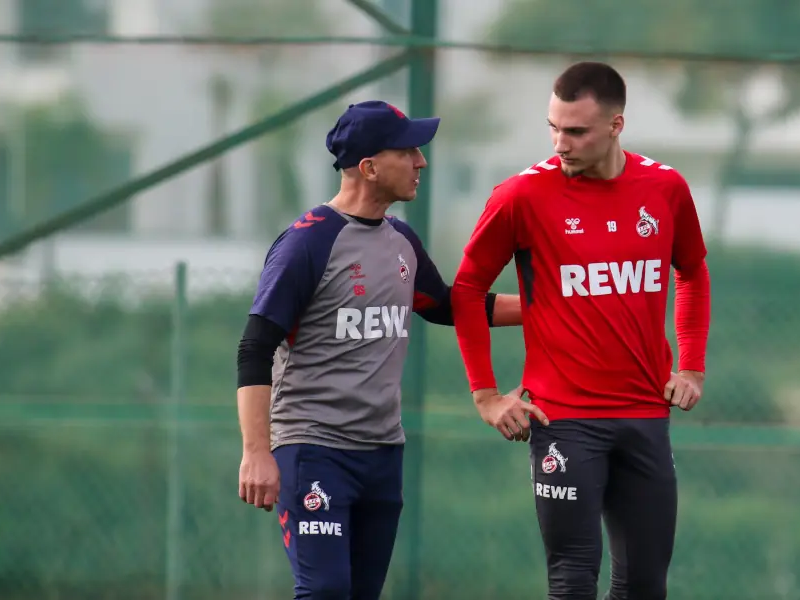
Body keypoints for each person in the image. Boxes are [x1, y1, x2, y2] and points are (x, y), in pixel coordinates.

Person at [235, 100, 522, 600]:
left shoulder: (402, 240)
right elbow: (255, 347)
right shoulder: (309, 243)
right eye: (408, 151)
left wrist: (557, 306)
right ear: (368, 167)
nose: (421, 162)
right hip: (313, 448)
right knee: (325, 591)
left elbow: (449, 306)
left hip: (382, 453)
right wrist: (257, 451)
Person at [450, 62, 712, 599]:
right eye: (553, 127)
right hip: (562, 416)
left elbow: (693, 271)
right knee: (572, 578)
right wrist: (485, 395)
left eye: (575, 131)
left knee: (644, 584)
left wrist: (690, 366)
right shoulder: (520, 196)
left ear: (616, 125)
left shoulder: (664, 188)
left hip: (644, 413)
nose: (560, 143)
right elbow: (467, 290)